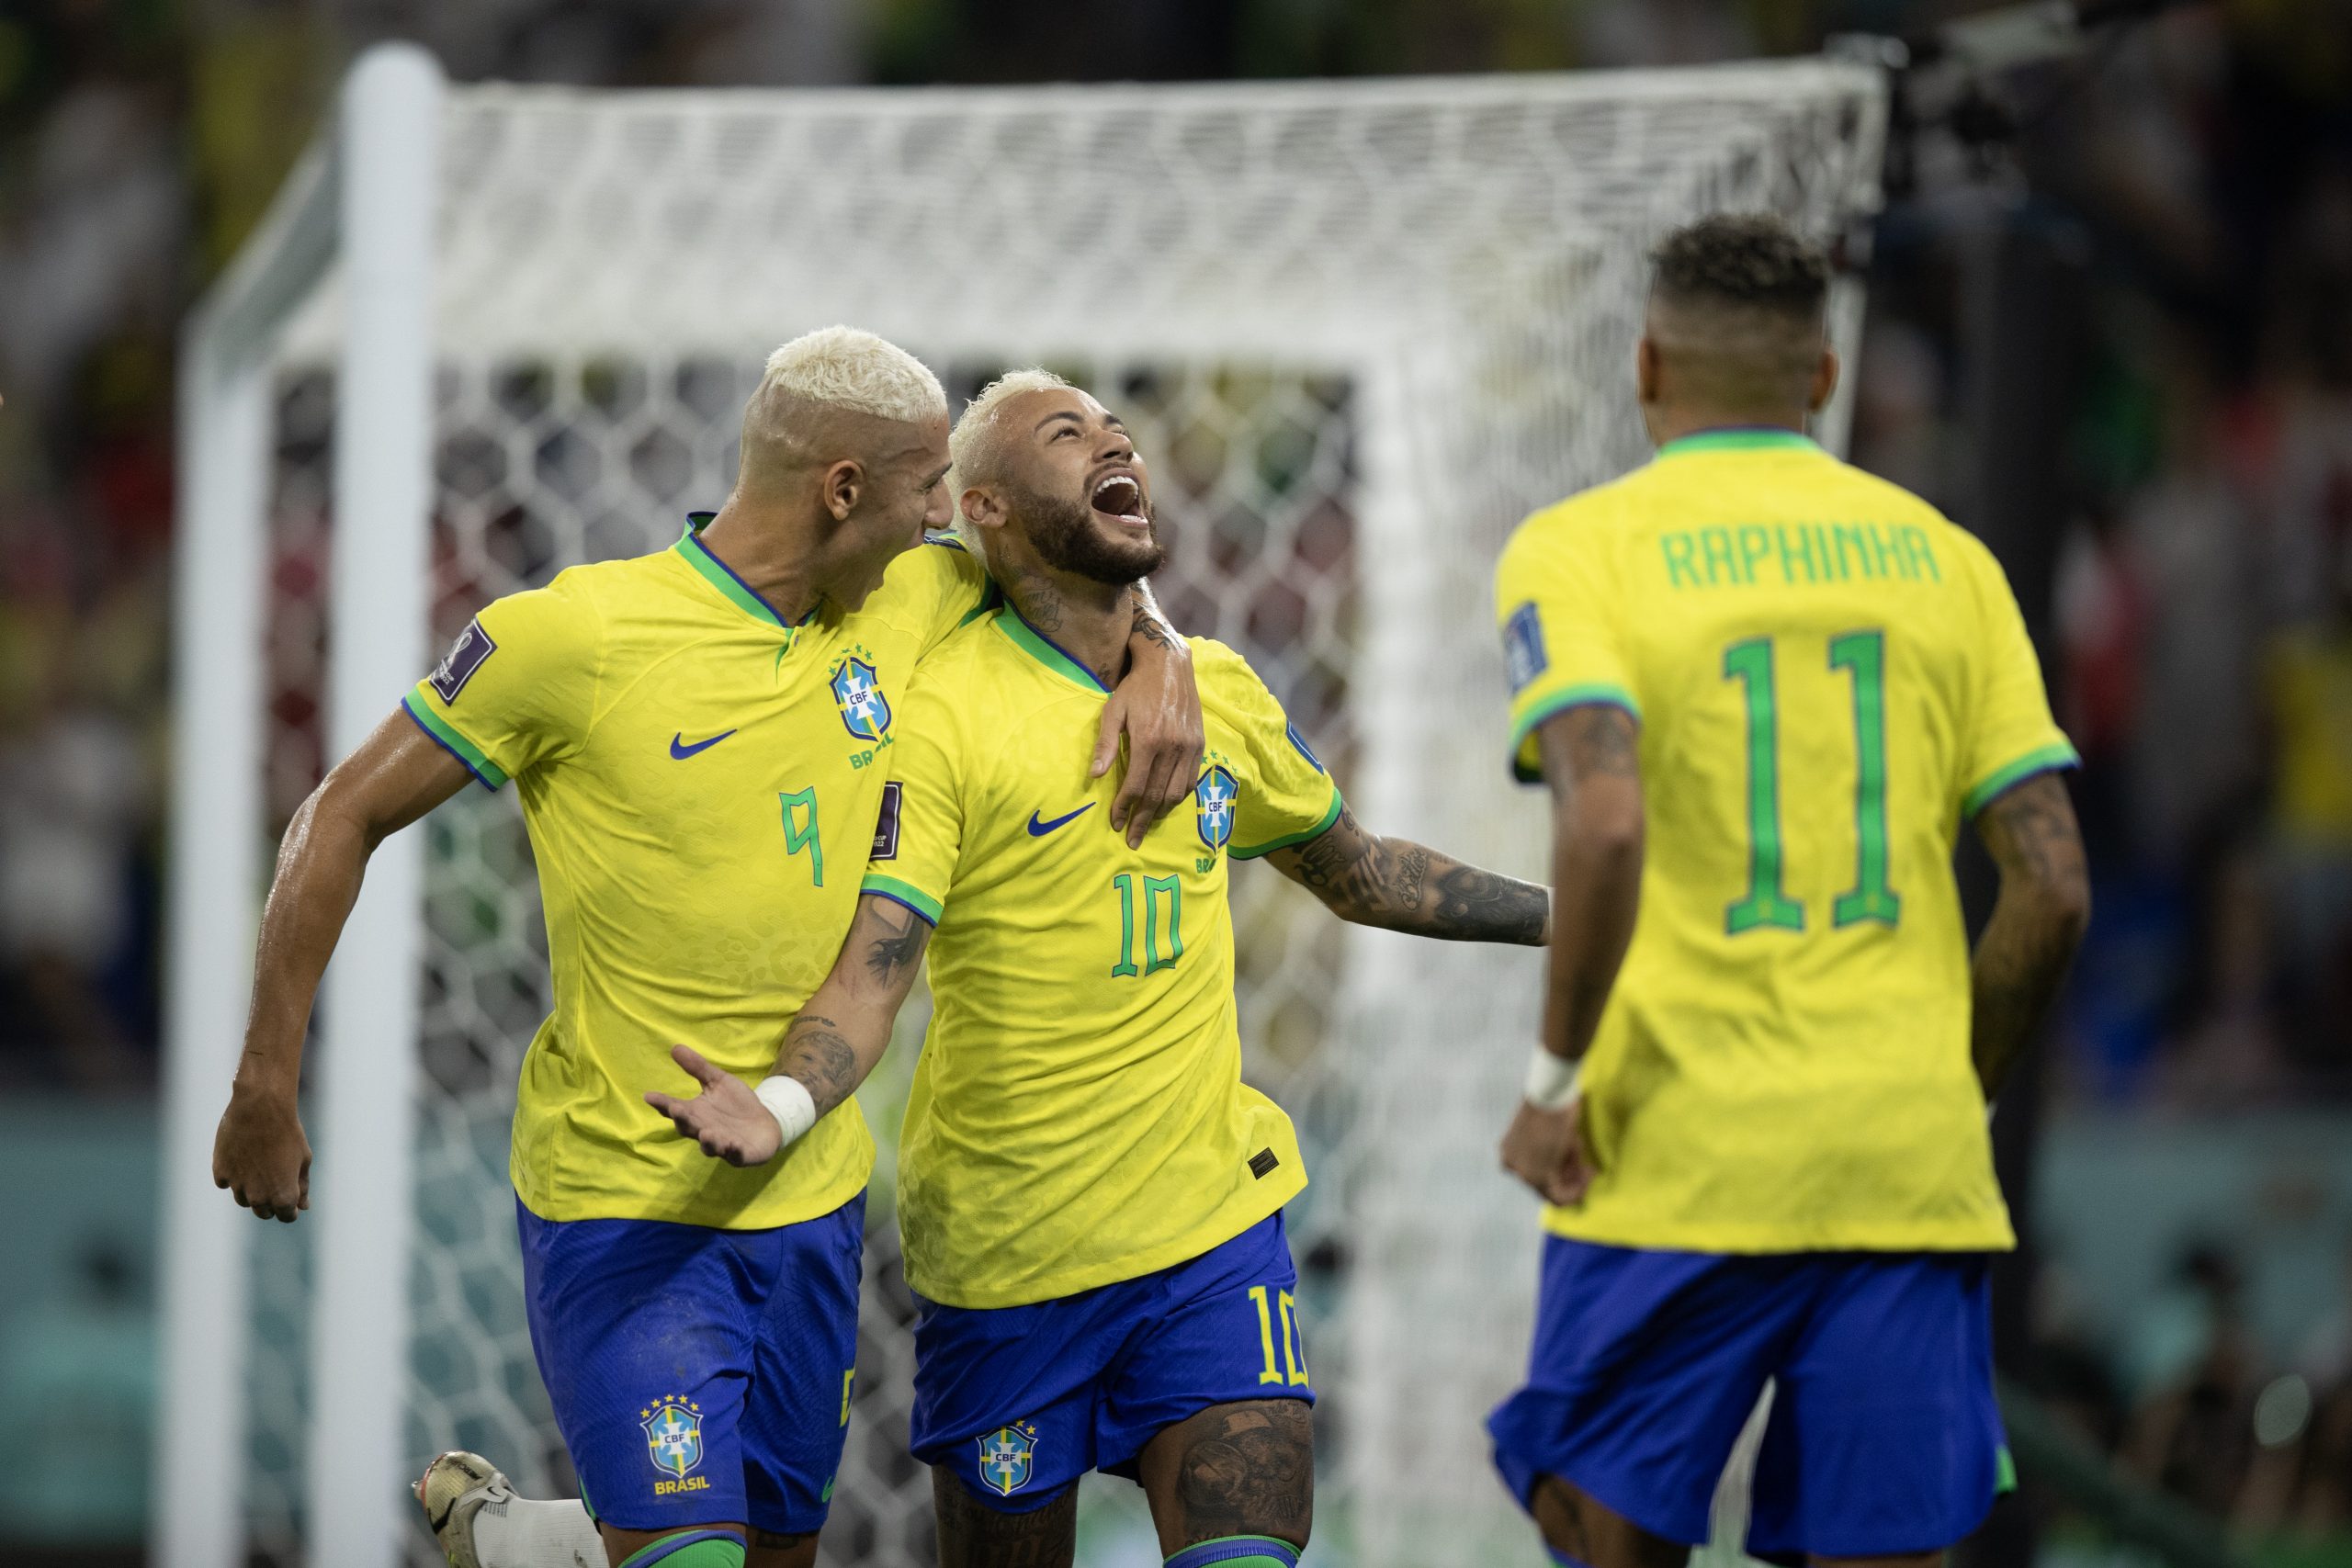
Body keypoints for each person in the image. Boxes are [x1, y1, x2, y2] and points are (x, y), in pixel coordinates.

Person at [208, 328, 1207, 1568]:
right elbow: (340, 811)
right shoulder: (575, 641)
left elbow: (1086, 558)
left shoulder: (913, 593)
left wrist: (1163, 655)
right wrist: (264, 1079)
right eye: (922, 492)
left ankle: (552, 1551)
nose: (944, 521)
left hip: (811, 1204)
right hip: (626, 1207)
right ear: (844, 491)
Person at [642, 371, 1553, 1568]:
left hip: (1212, 1243)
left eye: (1117, 431)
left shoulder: (1215, 688)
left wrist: (1578, 917)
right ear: (988, 509)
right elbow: (877, 967)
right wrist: (783, 1104)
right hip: (1009, 1264)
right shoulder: (945, 711)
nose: (1112, 442)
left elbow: (1361, 871)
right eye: (1066, 436)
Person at [1485, 214, 2093, 1568]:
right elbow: (2052, 890)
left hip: (1677, 1160)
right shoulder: (1951, 561)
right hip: (1902, 1164)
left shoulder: (1581, 551)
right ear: (1823, 378)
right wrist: (1952, 1083)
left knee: (1594, 1525)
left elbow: (1603, 817)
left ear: (1645, 367)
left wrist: (1553, 1086)